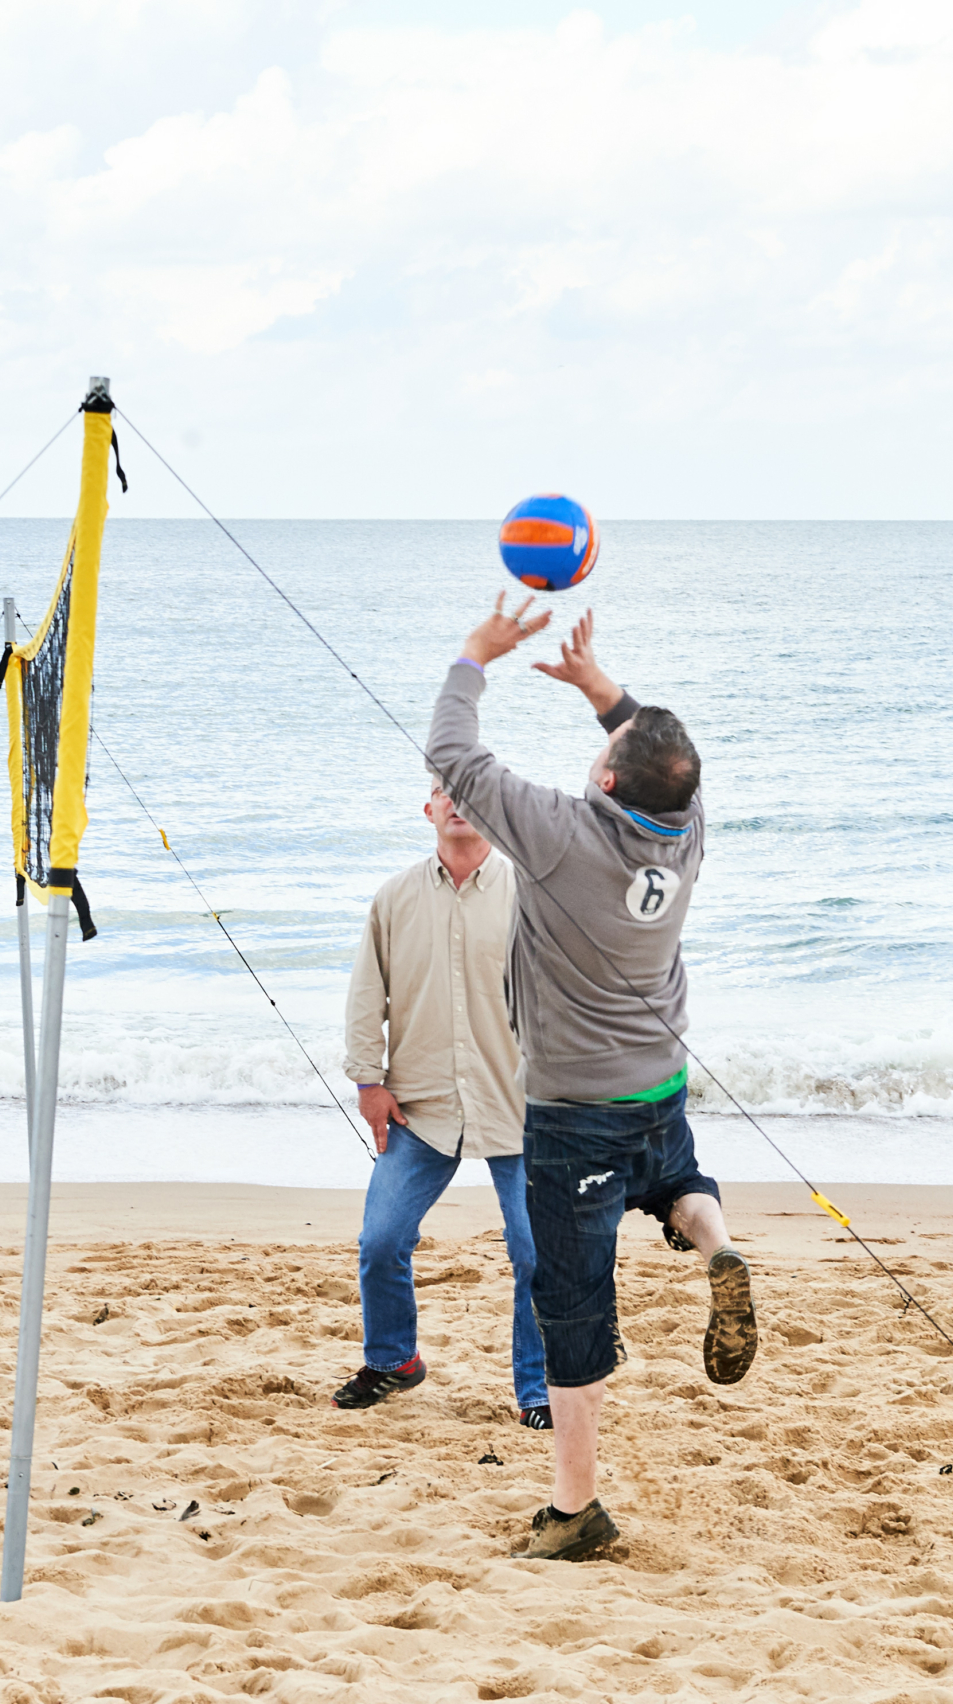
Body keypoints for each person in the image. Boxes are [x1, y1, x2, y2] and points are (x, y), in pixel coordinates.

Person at [425, 598, 755, 1564]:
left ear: (607, 778)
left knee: (571, 1308)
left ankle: (575, 1509)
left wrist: (476, 655)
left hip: (574, 1114)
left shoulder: (566, 835)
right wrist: (601, 688)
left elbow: (453, 754)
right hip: (659, 1087)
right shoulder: (682, 834)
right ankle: (718, 1246)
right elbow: (665, 758)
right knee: (673, 1184)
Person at [335, 783, 549, 1430]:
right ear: (427, 809)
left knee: (536, 1249)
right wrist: (369, 1082)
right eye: (444, 792)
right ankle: (394, 1361)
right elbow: (366, 996)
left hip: (519, 1105)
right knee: (381, 1240)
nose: (458, 801)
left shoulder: (531, 895)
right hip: (419, 1106)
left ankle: (539, 1391)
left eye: (473, 792)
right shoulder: (394, 898)